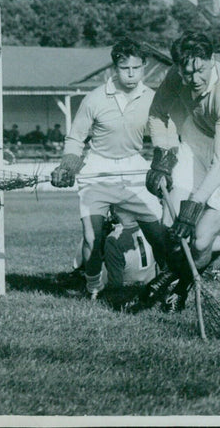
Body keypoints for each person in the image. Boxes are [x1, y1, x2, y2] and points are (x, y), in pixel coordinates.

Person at [147, 31, 220, 312]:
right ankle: (213, 250)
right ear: (178, 67)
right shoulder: (177, 76)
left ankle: (181, 284)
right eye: (187, 73)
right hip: (197, 137)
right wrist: (162, 155)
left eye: (200, 70)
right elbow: (156, 114)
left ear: (212, 59)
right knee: (169, 228)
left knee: (199, 239)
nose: (194, 79)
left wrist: (195, 204)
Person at [50, 39, 168, 300]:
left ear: (144, 67)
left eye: (136, 68)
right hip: (98, 170)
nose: (130, 74)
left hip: (134, 168)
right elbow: (75, 139)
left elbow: (165, 138)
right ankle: (93, 289)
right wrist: (67, 166)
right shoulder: (94, 98)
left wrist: (164, 166)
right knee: (92, 239)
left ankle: (166, 286)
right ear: (115, 67)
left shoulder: (152, 99)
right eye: (124, 68)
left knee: (159, 236)